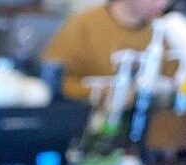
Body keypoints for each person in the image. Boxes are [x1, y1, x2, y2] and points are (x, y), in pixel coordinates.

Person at [42, 0, 173, 101]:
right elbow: (53, 82)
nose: (162, 4)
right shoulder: (83, 26)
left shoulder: (164, 31)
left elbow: (174, 83)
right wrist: (98, 93)